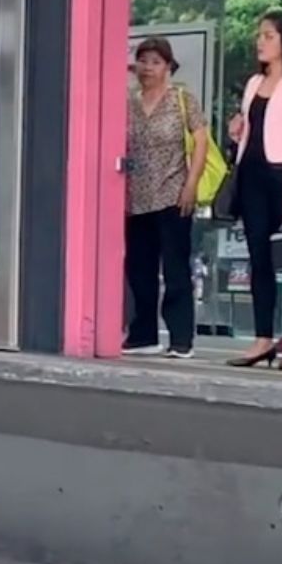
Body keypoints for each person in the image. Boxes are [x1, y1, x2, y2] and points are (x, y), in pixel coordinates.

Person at [123, 37, 208, 358]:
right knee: (139, 269)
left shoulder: (182, 99)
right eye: (143, 61)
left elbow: (200, 142)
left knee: (175, 269)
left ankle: (181, 338)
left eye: (156, 62)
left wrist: (191, 184)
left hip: (173, 194)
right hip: (136, 198)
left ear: (168, 66)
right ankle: (143, 335)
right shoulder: (128, 102)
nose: (148, 68)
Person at [227, 10, 282, 367]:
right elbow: (254, 128)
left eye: (269, 35)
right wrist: (237, 130)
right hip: (251, 174)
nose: (260, 42)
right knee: (259, 258)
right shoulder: (254, 83)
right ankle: (263, 339)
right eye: (259, 35)